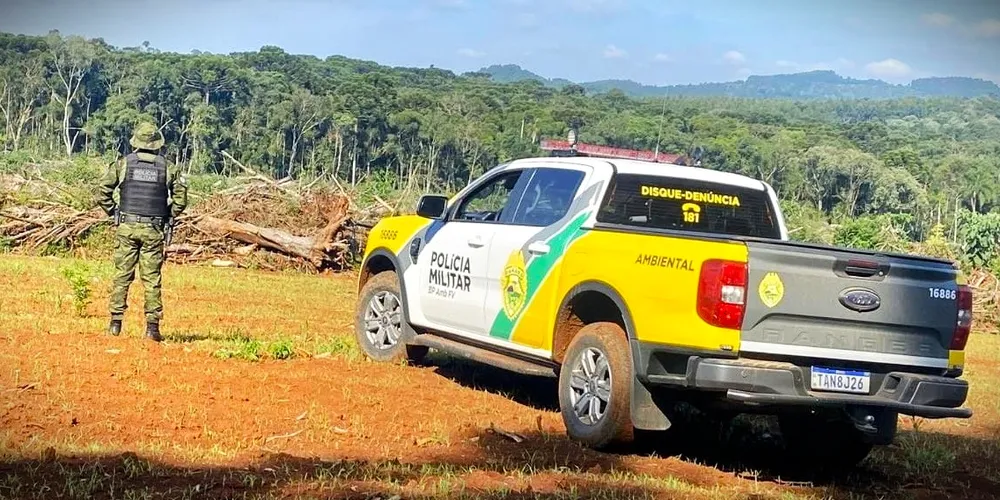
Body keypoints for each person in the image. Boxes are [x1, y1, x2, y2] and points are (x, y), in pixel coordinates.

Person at [95, 122, 188, 342]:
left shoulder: (123, 164)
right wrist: (167, 214)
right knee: (152, 279)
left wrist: (113, 212)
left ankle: (115, 324)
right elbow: (181, 200)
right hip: (153, 228)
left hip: (127, 227)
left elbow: (102, 192)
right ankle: (152, 329)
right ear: (157, 144)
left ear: (136, 141)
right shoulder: (168, 167)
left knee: (122, 276)